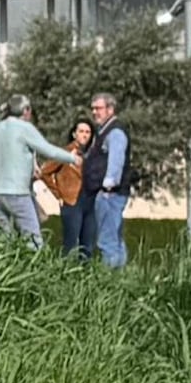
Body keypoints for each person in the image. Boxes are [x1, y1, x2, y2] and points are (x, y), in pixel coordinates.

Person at [0, 91, 54, 242]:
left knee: (11, 234)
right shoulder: (14, 134)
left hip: (9, 190)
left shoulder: (4, 132)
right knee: (31, 235)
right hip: (16, 191)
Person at [78, 90, 133, 264]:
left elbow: (116, 160)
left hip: (110, 194)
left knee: (107, 240)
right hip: (110, 193)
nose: (94, 112)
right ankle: (121, 275)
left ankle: (110, 276)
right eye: (93, 108)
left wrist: (108, 187)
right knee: (115, 239)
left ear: (110, 109)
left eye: (98, 108)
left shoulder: (115, 132)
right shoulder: (104, 131)